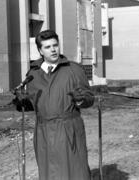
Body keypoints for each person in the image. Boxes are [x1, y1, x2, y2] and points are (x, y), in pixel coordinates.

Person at [13, 30, 94, 180]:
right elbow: (34, 104)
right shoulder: (33, 74)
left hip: (68, 129)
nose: (53, 49)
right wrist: (21, 103)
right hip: (43, 132)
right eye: (47, 47)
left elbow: (89, 98)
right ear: (40, 50)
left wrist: (80, 100)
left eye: (55, 45)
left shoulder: (74, 69)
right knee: (49, 172)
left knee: (75, 170)